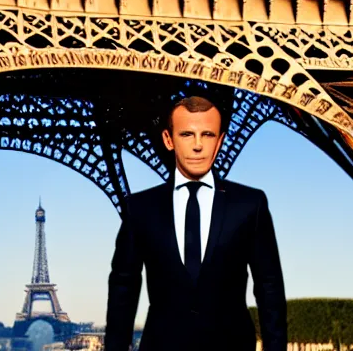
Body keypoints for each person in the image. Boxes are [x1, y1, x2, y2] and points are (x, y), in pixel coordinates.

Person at [105, 95, 287, 351]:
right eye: (187, 134)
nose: (198, 145)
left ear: (220, 141)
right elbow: (123, 289)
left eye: (208, 135)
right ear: (169, 139)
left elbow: (270, 288)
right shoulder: (140, 208)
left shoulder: (250, 205)